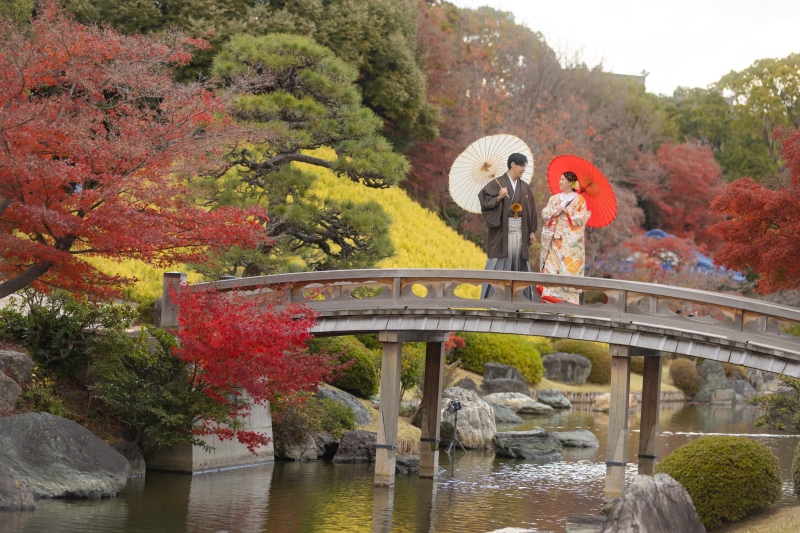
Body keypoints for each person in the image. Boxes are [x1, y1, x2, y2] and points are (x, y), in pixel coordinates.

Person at [478, 153, 537, 299]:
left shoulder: (524, 187)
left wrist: (531, 231)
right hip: (502, 233)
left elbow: (531, 209)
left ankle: (519, 300)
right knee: (499, 261)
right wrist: (499, 197)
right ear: (512, 165)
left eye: (525, 165)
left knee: (518, 262)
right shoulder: (497, 183)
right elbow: (485, 202)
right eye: (522, 165)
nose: (524, 168)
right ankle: (493, 299)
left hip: (520, 231)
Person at [537, 171, 591, 304]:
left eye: (562, 179)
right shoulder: (554, 199)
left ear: (570, 182)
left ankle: (567, 302)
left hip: (569, 244)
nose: (559, 181)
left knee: (567, 270)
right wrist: (557, 211)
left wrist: (569, 212)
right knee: (550, 268)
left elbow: (583, 218)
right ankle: (549, 298)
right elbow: (544, 213)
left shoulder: (579, 200)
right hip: (554, 240)